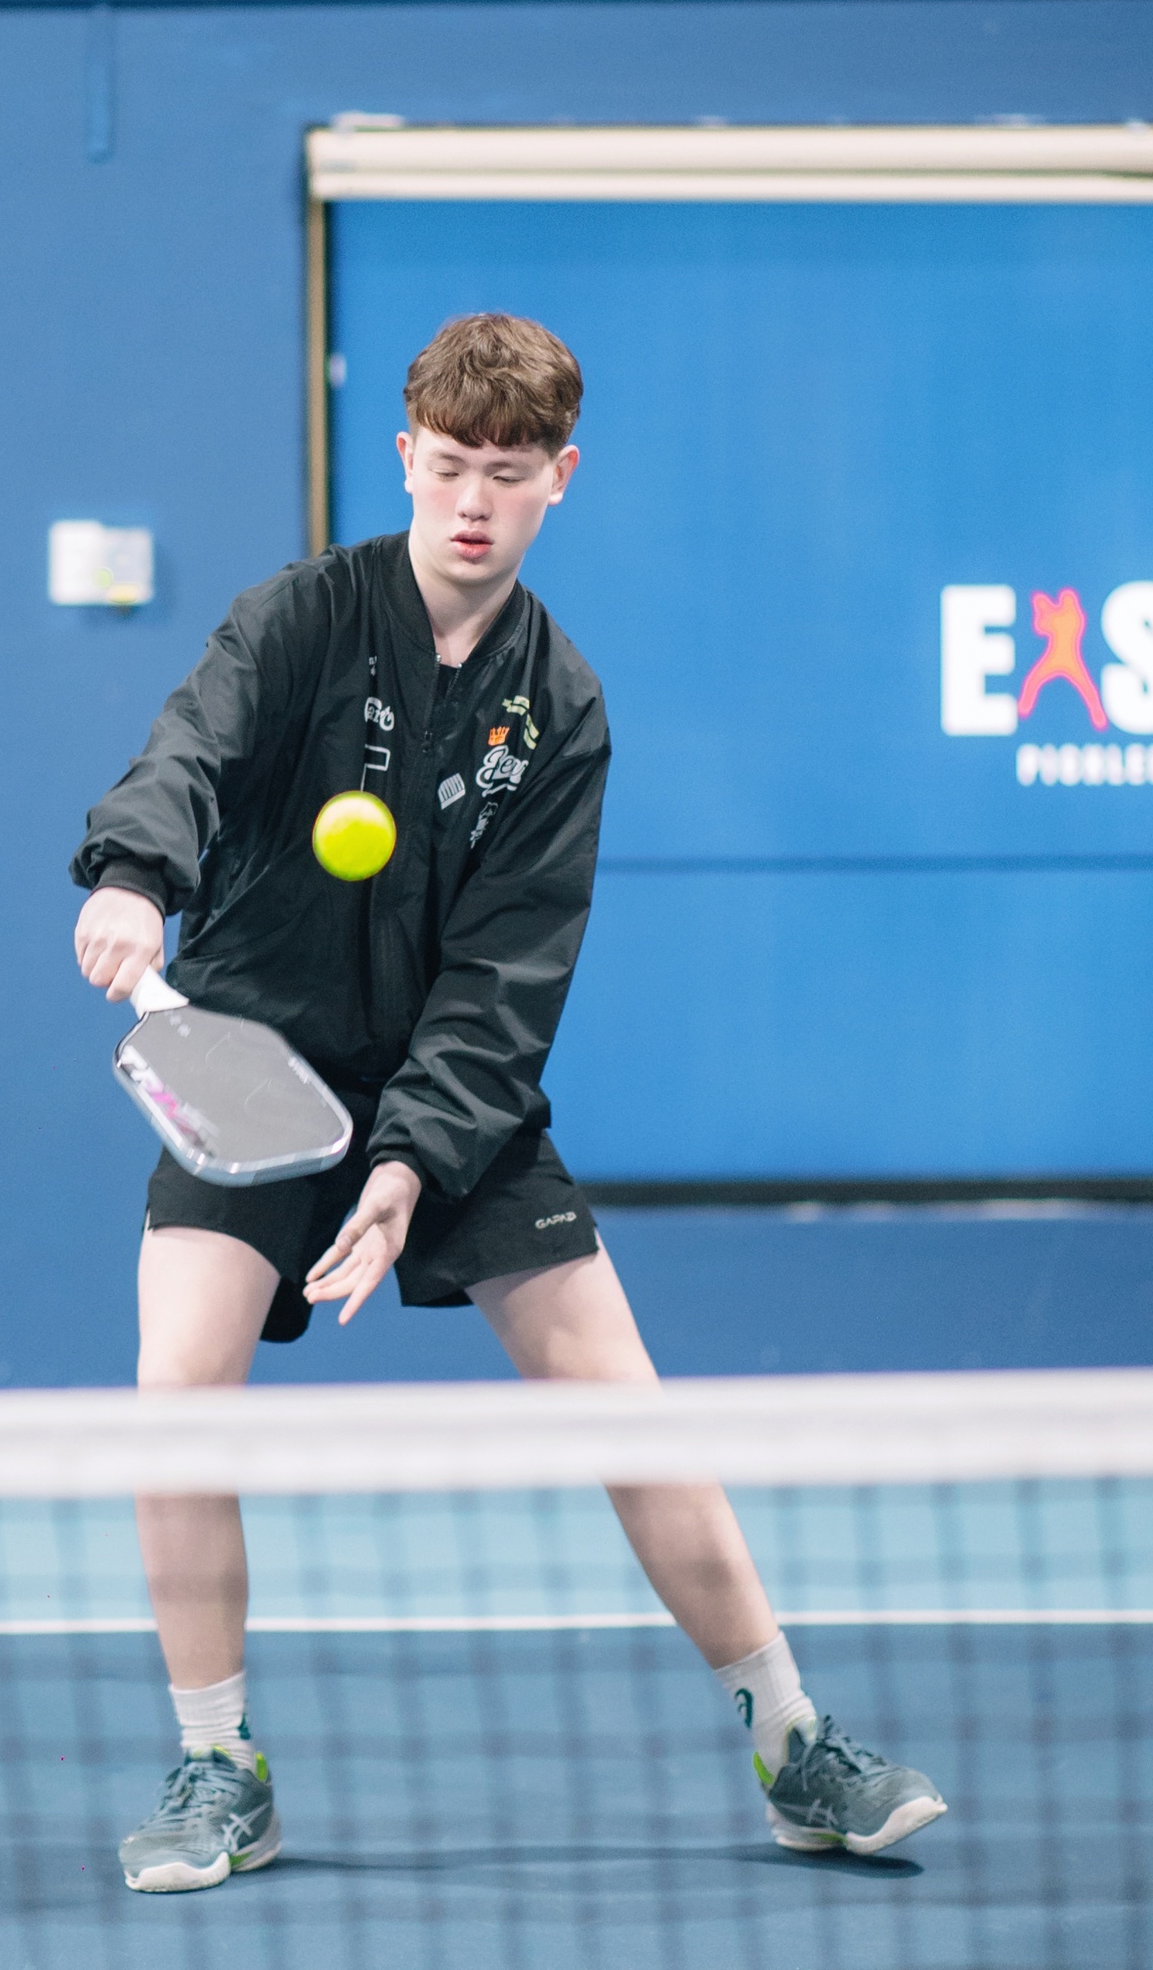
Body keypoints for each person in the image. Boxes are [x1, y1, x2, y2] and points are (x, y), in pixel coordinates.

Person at [71, 312, 945, 1895]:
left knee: (626, 1402)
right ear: (407, 456)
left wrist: (412, 1161)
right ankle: (218, 1766)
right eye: (453, 464)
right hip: (250, 1061)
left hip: (454, 1086)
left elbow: (504, 972)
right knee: (176, 1392)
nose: (475, 499)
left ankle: (793, 1741)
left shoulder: (561, 705)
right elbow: (188, 753)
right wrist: (138, 875)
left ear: (562, 479)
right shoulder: (300, 619)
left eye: (511, 470)